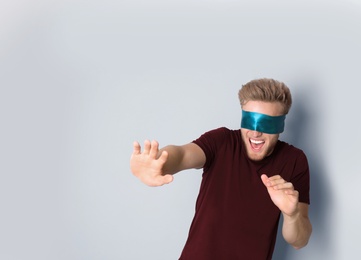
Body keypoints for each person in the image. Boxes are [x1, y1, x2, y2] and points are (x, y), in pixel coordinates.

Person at [130, 78, 312, 259]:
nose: (256, 133)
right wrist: (160, 161)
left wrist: (292, 214)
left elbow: (299, 241)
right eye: (250, 121)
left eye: (266, 124)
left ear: (281, 124)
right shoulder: (221, 142)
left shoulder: (294, 160)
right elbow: (183, 154)